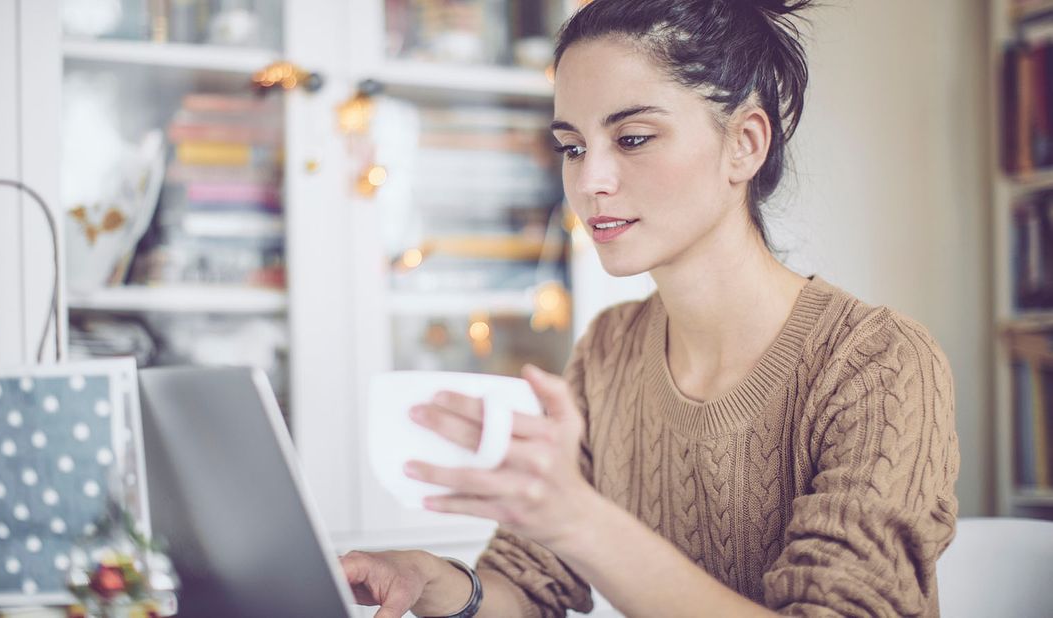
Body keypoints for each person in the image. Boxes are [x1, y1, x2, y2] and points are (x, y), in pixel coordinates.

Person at [340, 0, 960, 615]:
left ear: (744, 144)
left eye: (632, 138)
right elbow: (527, 587)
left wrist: (577, 519)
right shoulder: (610, 349)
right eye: (573, 147)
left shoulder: (879, 364)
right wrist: (432, 581)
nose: (589, 183)